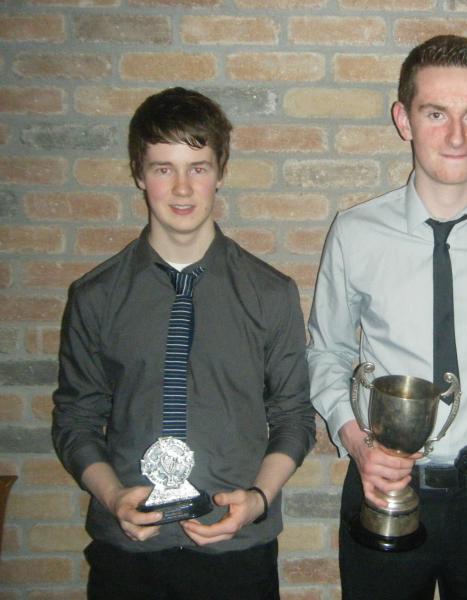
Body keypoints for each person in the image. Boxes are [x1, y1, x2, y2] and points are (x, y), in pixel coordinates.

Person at [307, 35, 467, 600]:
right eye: (435, 114)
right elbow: (327, 351)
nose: (456, 136)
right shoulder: (355, 233)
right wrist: (357, 443)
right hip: (383, 485)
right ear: (403, 119)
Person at [52, 87, 316, 600]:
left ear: (220, 172)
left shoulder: (270, 293)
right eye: (162, 168)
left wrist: (258, 500)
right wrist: (113, 497)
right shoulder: (95, 296)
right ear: (138, 173)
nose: (181, 188)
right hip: (128, 554)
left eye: (197, 167)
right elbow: (75, 419)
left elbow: (293, 417)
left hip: (237, 552)